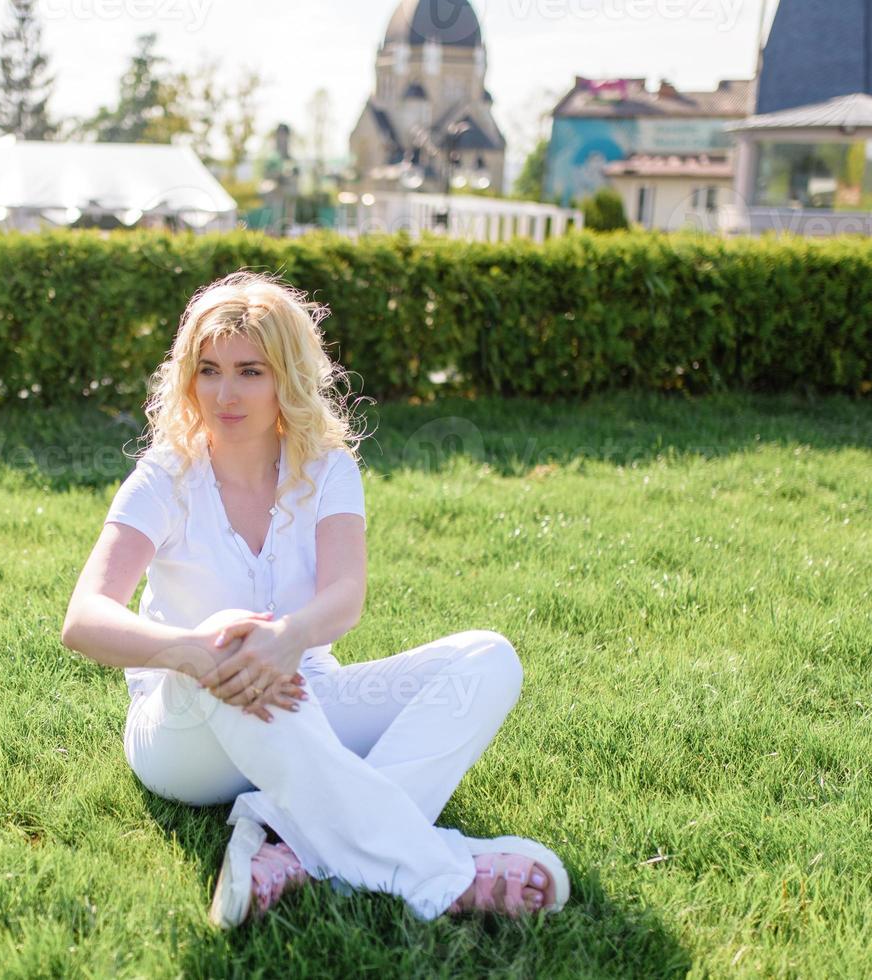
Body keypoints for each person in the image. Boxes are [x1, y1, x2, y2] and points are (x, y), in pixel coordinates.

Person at [61, 271, 569, 928]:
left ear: (287, 378)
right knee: (229, 635)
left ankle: (290, 849)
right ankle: (444, 875)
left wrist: (291, 637)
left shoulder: (327, 467)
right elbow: (84, 620)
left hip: (305, 699)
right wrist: (192, 652)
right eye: (208, 370)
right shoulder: (165, 476)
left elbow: (344, 596)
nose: (225, 393)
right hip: (183, 733)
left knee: (488, 659)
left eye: (250, 371)